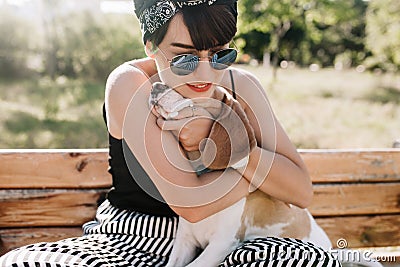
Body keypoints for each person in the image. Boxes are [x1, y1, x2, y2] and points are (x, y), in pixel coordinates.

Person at [0, 0, 341, 266]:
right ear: (150, 45)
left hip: (233, 242)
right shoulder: (129, 84)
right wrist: (259, 171)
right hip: (132, 240)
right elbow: (191, 204)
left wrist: (233, 149)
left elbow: (300, 190)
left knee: (303, 260)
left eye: (221, 54)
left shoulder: (244, 86)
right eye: (185, 58)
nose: (206, 71)